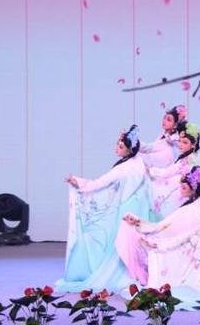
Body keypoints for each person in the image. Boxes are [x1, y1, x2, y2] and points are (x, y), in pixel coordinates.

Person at [57, 125, 150, 292]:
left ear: (129, 150)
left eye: (120, 146)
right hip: (140, 208)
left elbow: (99, 183)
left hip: (126, 210)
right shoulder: (139, 162)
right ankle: (137, 274)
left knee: (120, 245)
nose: (116, 148)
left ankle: (124, 275)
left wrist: (79, 183)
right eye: (117, 144)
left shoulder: (122, 168)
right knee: (134, 243)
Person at [115, 166, 200, 285]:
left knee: (131, 230)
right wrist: (138, 222)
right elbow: (164, 226)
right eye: (181, 186)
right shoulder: (194, 206)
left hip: (174, 246)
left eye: (184, 187)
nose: (180, 190)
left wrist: (138, 223)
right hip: (177, 243)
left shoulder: (190, 210)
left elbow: (164, 228)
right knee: (132, 226)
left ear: (193, 190)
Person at [148, 121, 200, 221]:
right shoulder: (189, 157)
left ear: (193, 145)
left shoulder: (188, 160)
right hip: (180, 191)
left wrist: (150, 170)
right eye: (180, 141)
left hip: (179, 193)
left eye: (185, 142)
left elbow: (166, 173)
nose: (181, 145)